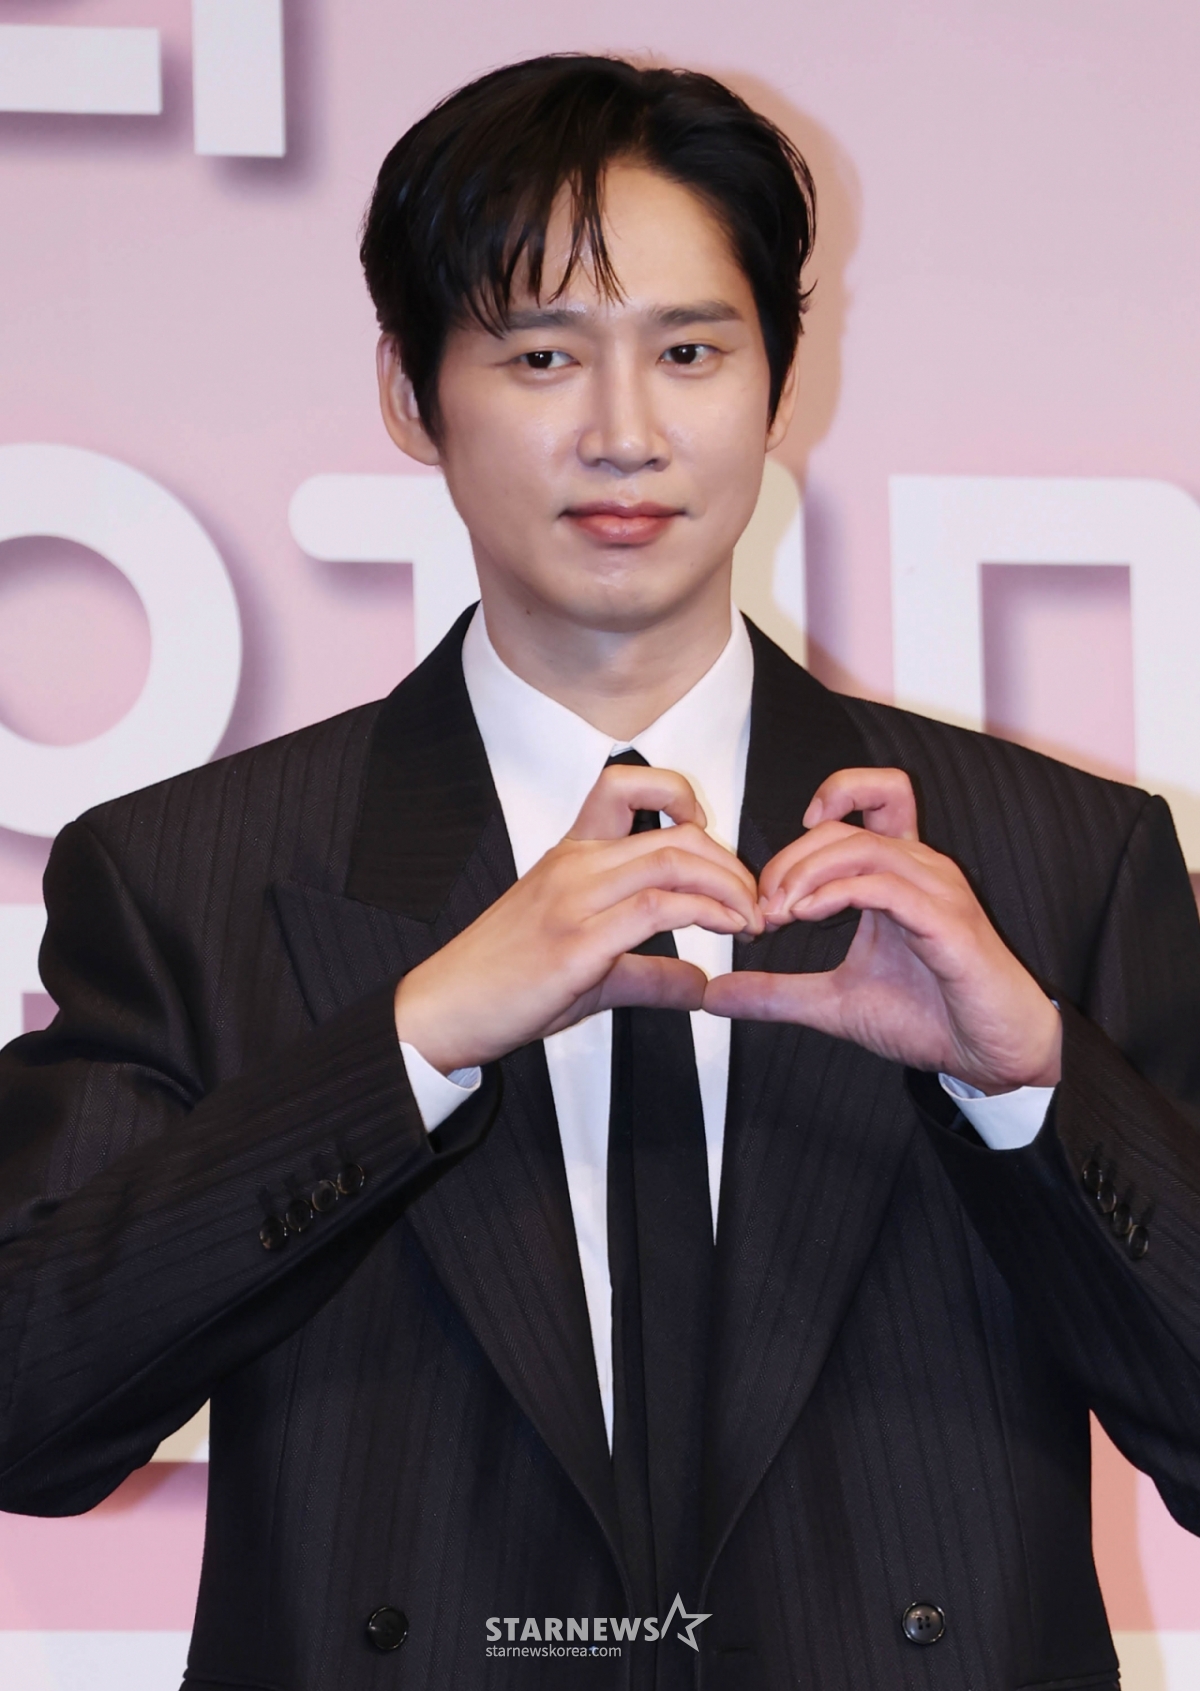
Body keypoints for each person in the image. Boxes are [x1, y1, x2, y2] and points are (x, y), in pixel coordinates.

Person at [0, 52, 1197, 1691]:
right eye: (542, 354)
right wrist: (409, 1042)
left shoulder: (1049, 857)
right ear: (412, 395)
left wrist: (1035, 1092)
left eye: (690, 352)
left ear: (780, 379)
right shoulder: (191, 876)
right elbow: (29, 1412)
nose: (625, 433)